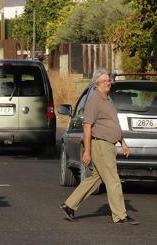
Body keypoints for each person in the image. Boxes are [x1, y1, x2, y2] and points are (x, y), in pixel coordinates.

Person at [60, 71, 138, 225]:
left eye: (109, 80)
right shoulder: (94, 100)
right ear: (96, 84)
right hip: (100, 144)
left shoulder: (107, 98)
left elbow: (112, 123)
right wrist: (87, 151)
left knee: (97, 178)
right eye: (104, 81)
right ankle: (120, 215)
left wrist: (122, 142)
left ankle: (69, 205)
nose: (108, 83)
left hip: (109, 144)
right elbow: (87, 126)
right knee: (113, 179)